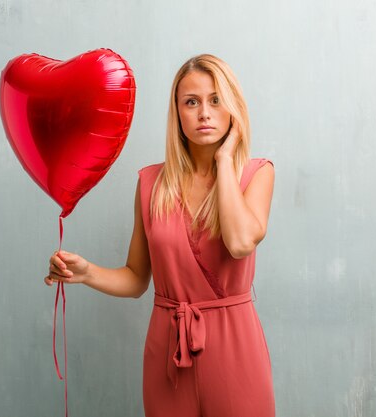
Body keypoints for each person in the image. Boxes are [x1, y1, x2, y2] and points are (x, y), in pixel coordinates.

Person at [45, 53, 275, 417]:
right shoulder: (151, 183)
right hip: (168, 351)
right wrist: (86, 272)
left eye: (216, 100)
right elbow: (137, 279)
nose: (204, 112)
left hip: (235, 346)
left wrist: (224, 159)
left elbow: (240, 241)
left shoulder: (257, 174)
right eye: (191, 102)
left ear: (233, 108)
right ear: (177, 113)